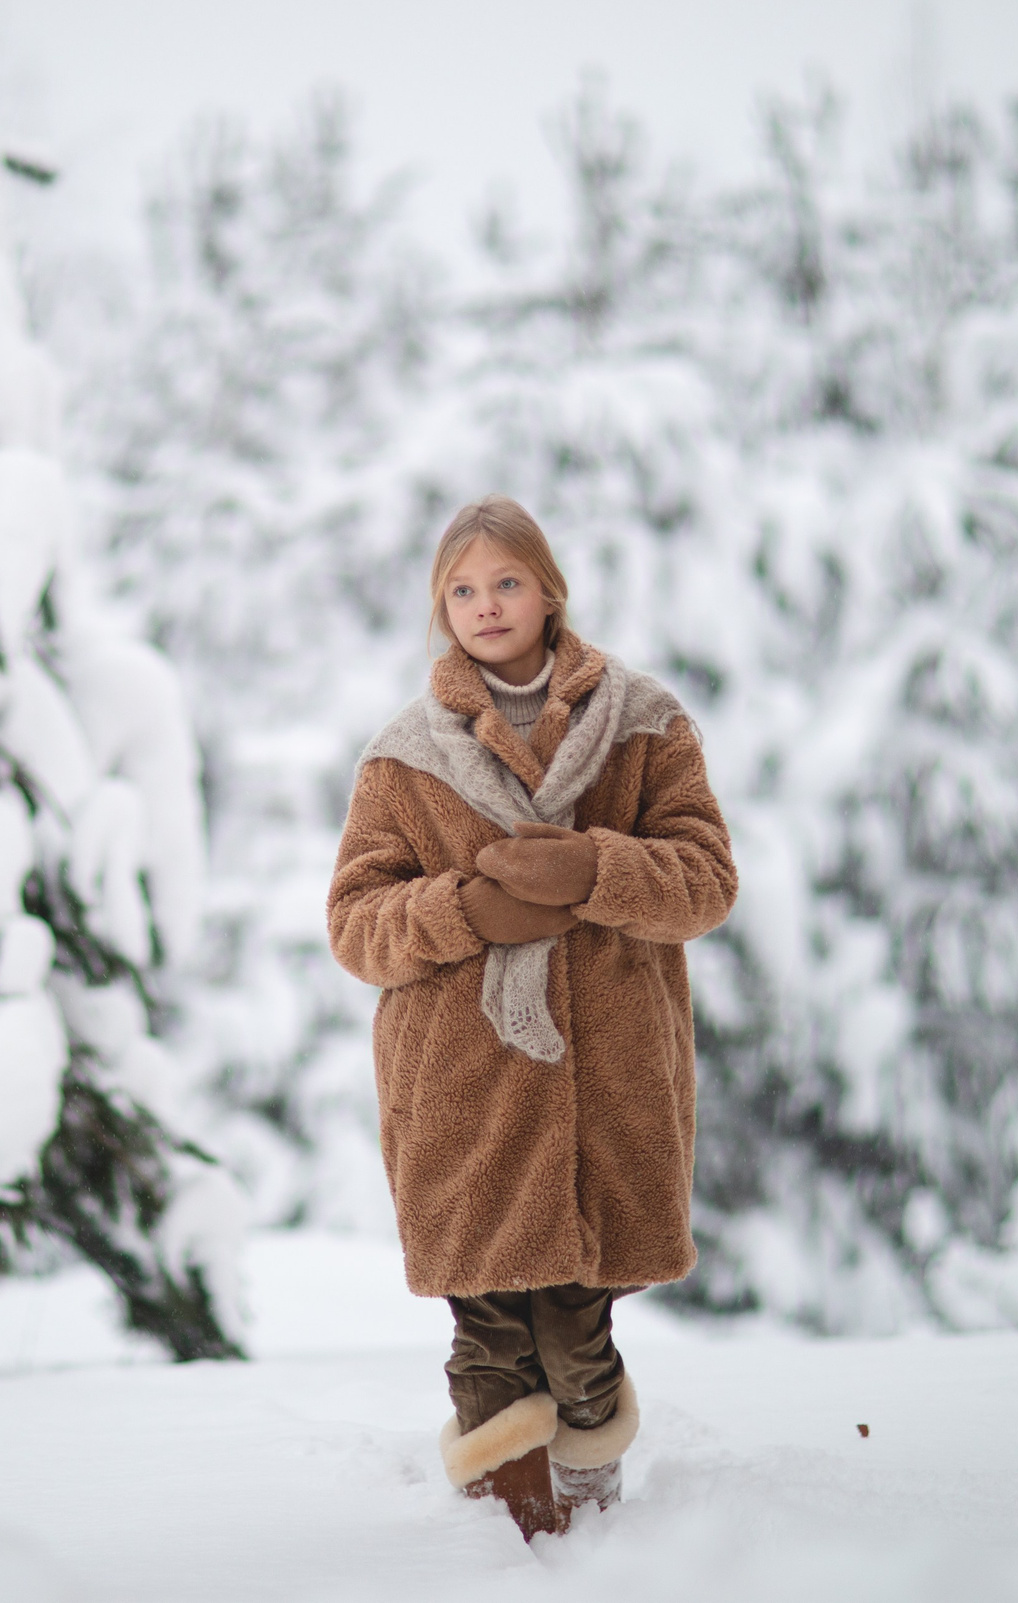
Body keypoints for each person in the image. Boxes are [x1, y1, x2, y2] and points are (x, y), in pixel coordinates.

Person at [326, 495, 738, 1538]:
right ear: (440, 611)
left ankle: (595, 1515)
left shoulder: (644, 723)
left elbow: (705, 881)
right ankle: (508, 1537)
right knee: (488, 1335)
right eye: (461, 591)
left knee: (572, 1327)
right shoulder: (404, 754)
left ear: (549, 590)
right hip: (465, 1091)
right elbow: (356, 925)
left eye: (505, 582)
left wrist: (593, 868)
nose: (485, 605)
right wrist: (463, 909)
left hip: (610, 1082)